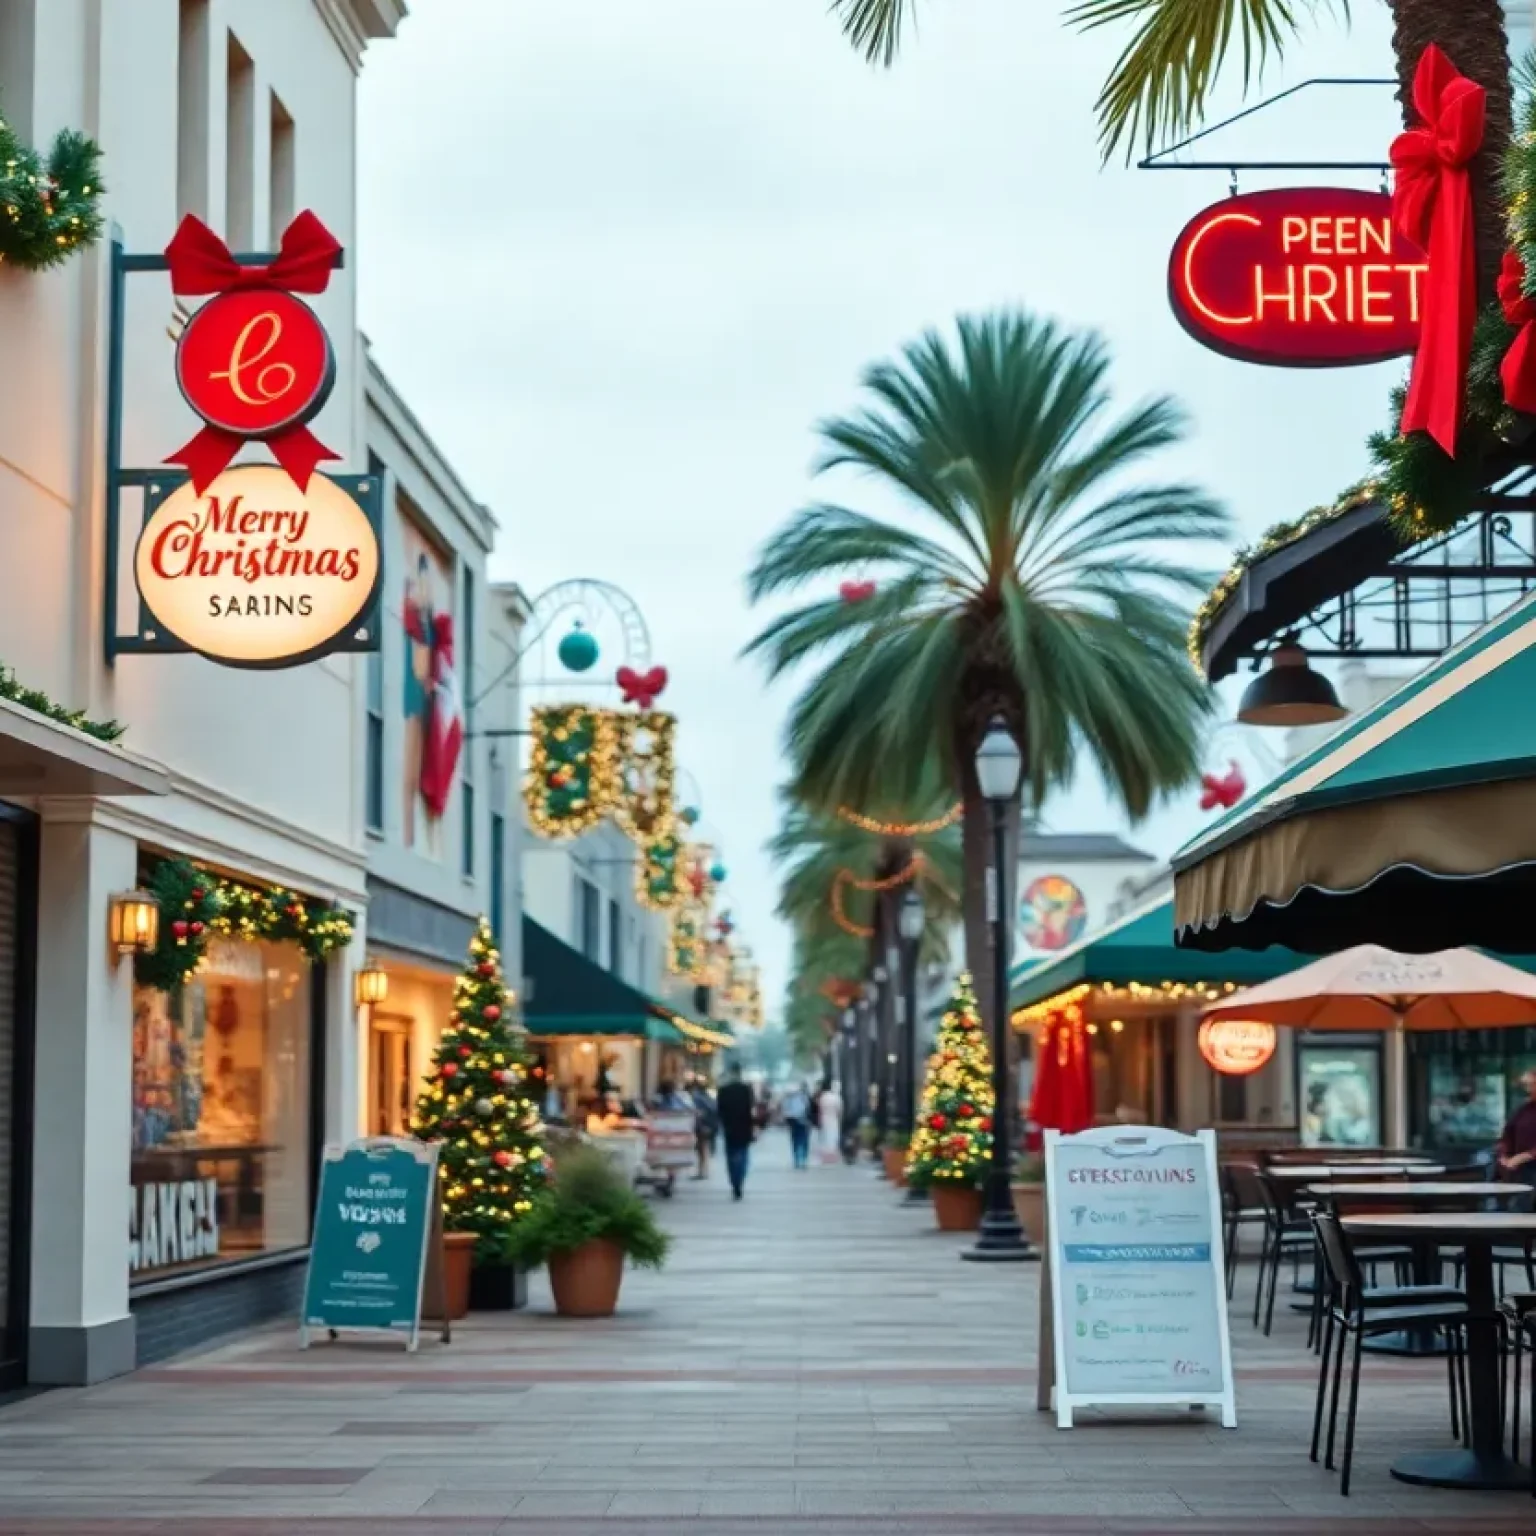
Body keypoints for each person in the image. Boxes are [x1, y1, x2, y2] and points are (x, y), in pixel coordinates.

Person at [716, 1064, 756, 1200]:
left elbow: (719, 1110)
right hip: (744, 1127)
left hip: (729, 1128)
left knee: (731, 1156)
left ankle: (734, 1182)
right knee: (743, 1156)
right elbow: (751, 1109)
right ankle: (740, 1180)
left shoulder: (723, 1090)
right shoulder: (746, 1090)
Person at [1497, 1068, 1536, 1185]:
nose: (1528, 1090)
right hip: (1519, 1171)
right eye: (1525, 1085)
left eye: (1532, 1085)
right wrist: (1504, 1156)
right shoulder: (1522, 1109)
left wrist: (1526, 1156)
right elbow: (1507, 1135)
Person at [690, 1077, 718, 1181]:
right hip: (709, 1125)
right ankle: (704, 1170)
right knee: (703, 1148)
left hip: (701, 1126)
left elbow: (698, 1112)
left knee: (701, 1148)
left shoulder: (696, 1097)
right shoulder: (708, 1097)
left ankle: (702, 1171)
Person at [783, 1081, 812, 1169]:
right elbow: (807, 1108)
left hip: (795, 1121)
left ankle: (798, 1159)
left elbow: (786, 1110)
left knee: (796, 1140)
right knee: (803, 1140)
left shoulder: (789, 1099)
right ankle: (802, 1159)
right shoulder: (803, 1097)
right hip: (802, 1121)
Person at [817, 1079, 844, 1164]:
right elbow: (839, 1110)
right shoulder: (837, 1098)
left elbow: (820, 1109)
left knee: (826, 1136)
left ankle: (826, 1155)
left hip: (825, 1118)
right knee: (833, 1136)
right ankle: (831, 1155)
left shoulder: (824, 1096)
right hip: (833, 1118)